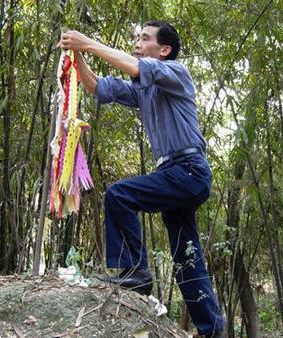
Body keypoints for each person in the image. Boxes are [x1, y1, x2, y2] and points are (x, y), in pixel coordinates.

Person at [58, 20, 225, 338]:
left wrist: (88, 42)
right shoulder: (144, 88)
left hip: (188, 169)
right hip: (174, 174)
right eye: (138, 38)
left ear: (164, 50)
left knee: (120, 194)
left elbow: (135, 65)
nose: (137, 42)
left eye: (145, 38)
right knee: (186, 255)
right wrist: (77, 52)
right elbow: (96, 87)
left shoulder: (175, 72)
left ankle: (135, 270)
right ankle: (211, 328)